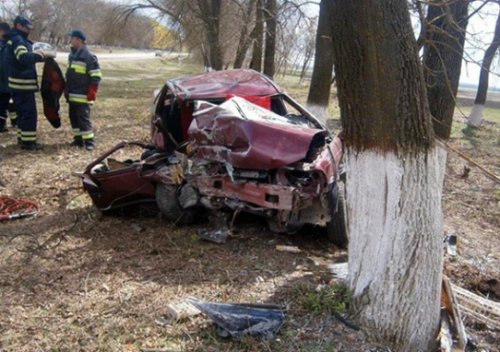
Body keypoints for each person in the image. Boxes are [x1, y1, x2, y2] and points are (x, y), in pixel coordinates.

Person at [6, 15, 54, 150]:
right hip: (22, 84)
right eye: (26, 27)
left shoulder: (15, 38)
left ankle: (22, 139)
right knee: (29, 114)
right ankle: (28, 143)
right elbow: (23, 58)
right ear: (18, 25)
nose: (29, 30)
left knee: (21, 113)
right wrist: (41, 55)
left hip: (17, 84)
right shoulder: (18, 40)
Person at [65, 29, 101, 150]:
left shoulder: (88, 56)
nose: (70, 40)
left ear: (79, 40)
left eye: (72, 38)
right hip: (73, 94)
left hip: (83, 95)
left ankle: (89, 142)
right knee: (73, 118)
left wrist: (92, 91)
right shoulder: (73, 55)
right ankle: (78, 140)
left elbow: (95, 75)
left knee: (83, 119)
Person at [0, 22, 11, 133]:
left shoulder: (6, 45)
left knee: (4, 104)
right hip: (6, 81)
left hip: (4, 81)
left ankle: (2, 124)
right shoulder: (6, 45)